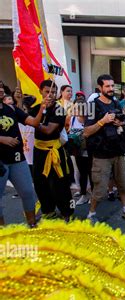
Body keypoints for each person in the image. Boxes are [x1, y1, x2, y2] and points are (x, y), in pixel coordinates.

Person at [83, 74, 125, 224]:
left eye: (112, 86)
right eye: (107, 86)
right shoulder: (91, 106)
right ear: (100, 88)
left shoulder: (116, 103)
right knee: (100, 188)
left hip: (118, 152)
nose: (110, 89)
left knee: (123, 184)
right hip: (101, 154)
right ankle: (91, 214)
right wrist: (102, 121)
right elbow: (86, 132)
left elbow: (124, 124)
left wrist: (120, 124)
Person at [30, 80, 74, 221]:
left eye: (54, 92)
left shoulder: (60, 109)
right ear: (40, 91)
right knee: (40, 182)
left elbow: (49, 130)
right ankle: (48, 211)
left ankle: (67, 212)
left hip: (55, 151)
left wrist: (34, 122)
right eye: (47, 91)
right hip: (38, 150)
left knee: (60, 183)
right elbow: (22, 118)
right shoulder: (36, 107)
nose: (51, 95)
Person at [0, 96, 44, 227]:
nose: (1, 89)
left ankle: (32, 224)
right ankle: (3, 233)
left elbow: (35, 123)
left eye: (1, 86)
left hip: (17, 159)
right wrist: (2, 139)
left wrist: (42, 107)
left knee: (27, 192)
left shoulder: (12, 109)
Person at [67, 100, 92, 206]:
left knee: (91, 173)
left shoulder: (90, 120)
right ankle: (83, 195)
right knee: (82, 173)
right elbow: (68, 131)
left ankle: (93, 195)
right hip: (77, 152)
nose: (78, 110)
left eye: (80, 108)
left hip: (90, 151)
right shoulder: (72, 119)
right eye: (76, 107)